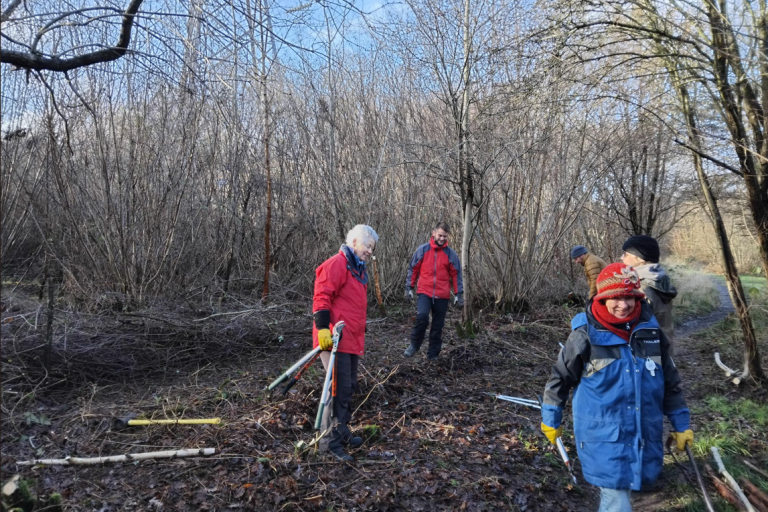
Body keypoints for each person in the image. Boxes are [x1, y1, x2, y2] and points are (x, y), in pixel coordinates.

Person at [540, 263, 693, 511]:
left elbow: (671, 383)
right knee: (617, 501)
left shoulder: (651, 333)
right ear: (602, 298)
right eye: (616, 298)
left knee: (629, 489)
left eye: (629, 297)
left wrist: (681, 424)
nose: (623, 304)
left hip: (645, 434)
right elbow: (560, 378)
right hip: (603, 439)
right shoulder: (584, 336)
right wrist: (551, 418)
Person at [312, 224, 379, 462]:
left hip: (350, 339)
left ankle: (341, 430)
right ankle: (328, 443)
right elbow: (322, 296)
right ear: (354, 242)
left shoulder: (358, 270)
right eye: (367, 246)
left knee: (348, 387)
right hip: (333, 339)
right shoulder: (337, 264)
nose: (370, 251)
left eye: (372, 248)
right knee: (336, 388)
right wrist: (322, 328)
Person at [403, 222, 463, 360]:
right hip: (424, 292)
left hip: (442, 295)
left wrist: (459, 294)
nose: (442, 238)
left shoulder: (451, 254)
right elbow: (413, 269)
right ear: (434, 233)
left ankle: (433, 355)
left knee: (438, 326)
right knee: (422, 317)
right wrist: (409, 287)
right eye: (440, 235)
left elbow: (456, 274)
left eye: (445, 236)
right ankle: (414, 345)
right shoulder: (422, 250)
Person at [621, 235, 678, 354]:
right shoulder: (660, 279)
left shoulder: (641, 287)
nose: (622, 258)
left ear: (640, 259)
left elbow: (630, 325)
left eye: (626, 254)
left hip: (647, 353)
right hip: (664, 347)